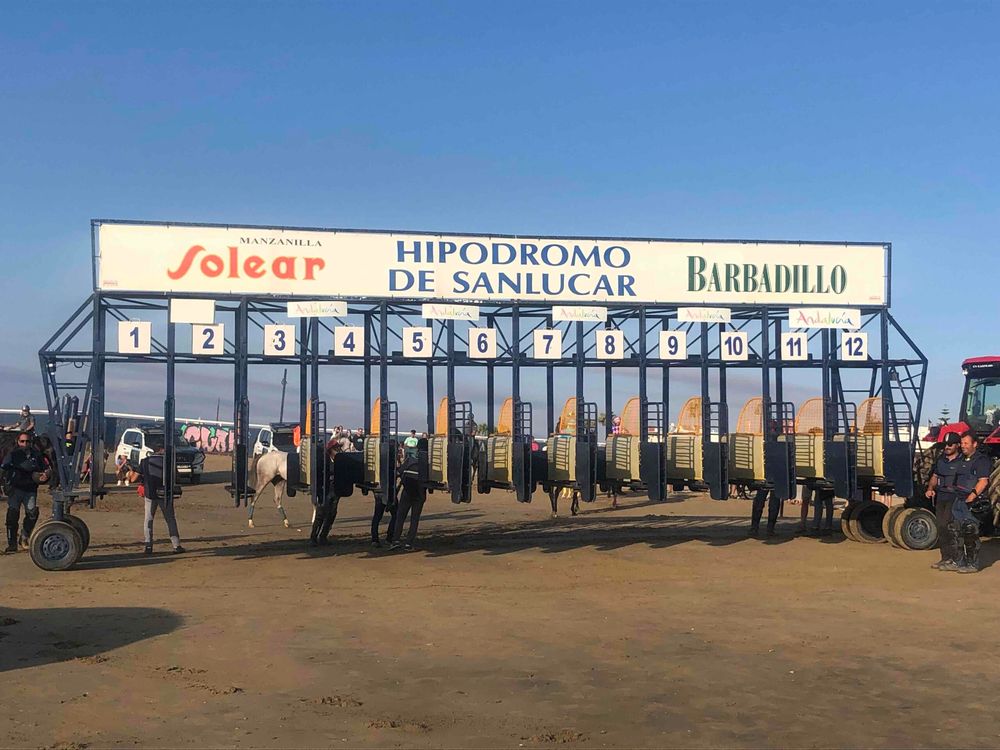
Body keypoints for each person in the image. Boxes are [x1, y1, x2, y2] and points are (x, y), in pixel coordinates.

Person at [948, 431, 991, 573]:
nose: (963, 445)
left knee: (970, 532)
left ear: (975, 444)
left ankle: (972, 564)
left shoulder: (981, 460)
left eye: (966, 443)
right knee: (955, 531)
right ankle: (958, 562)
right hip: (959, 500)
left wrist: (971, 497)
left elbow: (983, 481)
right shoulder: (961, 459)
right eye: (962, 443)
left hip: (972, 502)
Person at [1, 432, 47, 552]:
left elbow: (46, 469)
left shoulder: (36, 455)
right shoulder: (12, 454)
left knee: (32, 513)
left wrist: (45, 476)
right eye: (22, 441)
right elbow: (3, 468)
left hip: (30, 489)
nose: (24, 444)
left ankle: (24, 537)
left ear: (31, 442)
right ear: (18, 442)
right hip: (15, 488)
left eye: (27, 441)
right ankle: (12, 544)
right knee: (12, 515)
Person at [925, 432, 963, 570]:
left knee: (950, 527)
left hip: (955, 498)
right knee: (941, 526)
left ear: (957, 445)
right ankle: (945, 558)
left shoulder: (963, 462)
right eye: (945, 444)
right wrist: (930, 488)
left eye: (950, 444)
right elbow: (935, 476)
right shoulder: (941, 460)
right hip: (941, 497)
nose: (947, 447)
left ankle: (955, 559)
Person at [137, 444, 184, 555]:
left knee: (148, 520)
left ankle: (148, 546)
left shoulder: (145, 461)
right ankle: (176, 545)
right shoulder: (169, 462)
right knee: (170, 519)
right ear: (162, 450)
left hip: (150, 494)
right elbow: (177, 477)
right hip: (165, 494)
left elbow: (135, 477)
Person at [390, 437, 430, 550]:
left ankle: (395, 540)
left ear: (417, 448)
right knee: (414, 519)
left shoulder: (409, 460)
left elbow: (398, 472)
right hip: (420, 494)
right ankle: (408, 543)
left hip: (407, 492)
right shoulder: (429, 463)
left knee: (400, 517)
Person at [309, 439, 343, 546]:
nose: (338, 450)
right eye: (336, 448)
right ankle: (314, 537)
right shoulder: (324, 460)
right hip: (325, 490)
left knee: (332, 514)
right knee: (321, 514)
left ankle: (323, 536)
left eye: (338, 447)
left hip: (335, 491)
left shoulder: (339, 460)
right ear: (331, 449)